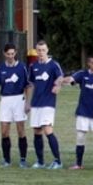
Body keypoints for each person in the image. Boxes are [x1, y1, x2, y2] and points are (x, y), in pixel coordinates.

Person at [61, 55, 93, 170]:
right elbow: (72, 79)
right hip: (83, 111)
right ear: (88, 63)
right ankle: (78, 164)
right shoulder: (83, 74)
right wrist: (62, 80)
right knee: (80, 136)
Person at [0, 43, 30, 168]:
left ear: (15, 53)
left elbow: (28, 85)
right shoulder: (0, 69)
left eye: (13, 54)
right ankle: (6, 160)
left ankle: (23, 159)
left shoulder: (22, 67)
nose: (11, 56)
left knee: (20, 130)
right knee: (4, 131)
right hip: (5, 100)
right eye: (8, 54)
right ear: (4, 54)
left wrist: (28, 102)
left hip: (19, 99)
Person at [26, 40, 65, 169]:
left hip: (48, 102)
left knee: (47, 129)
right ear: (36, 51)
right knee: (37, 131)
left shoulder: (53, 65)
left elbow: (60, 77)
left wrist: (57, 85)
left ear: (47, 50)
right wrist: (28, 102)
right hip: (36, 103)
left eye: (43, 50)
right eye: (39, 50)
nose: (41, 53)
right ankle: (40, 161)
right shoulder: (33, 66)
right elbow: (31, 84)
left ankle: (58, 161)